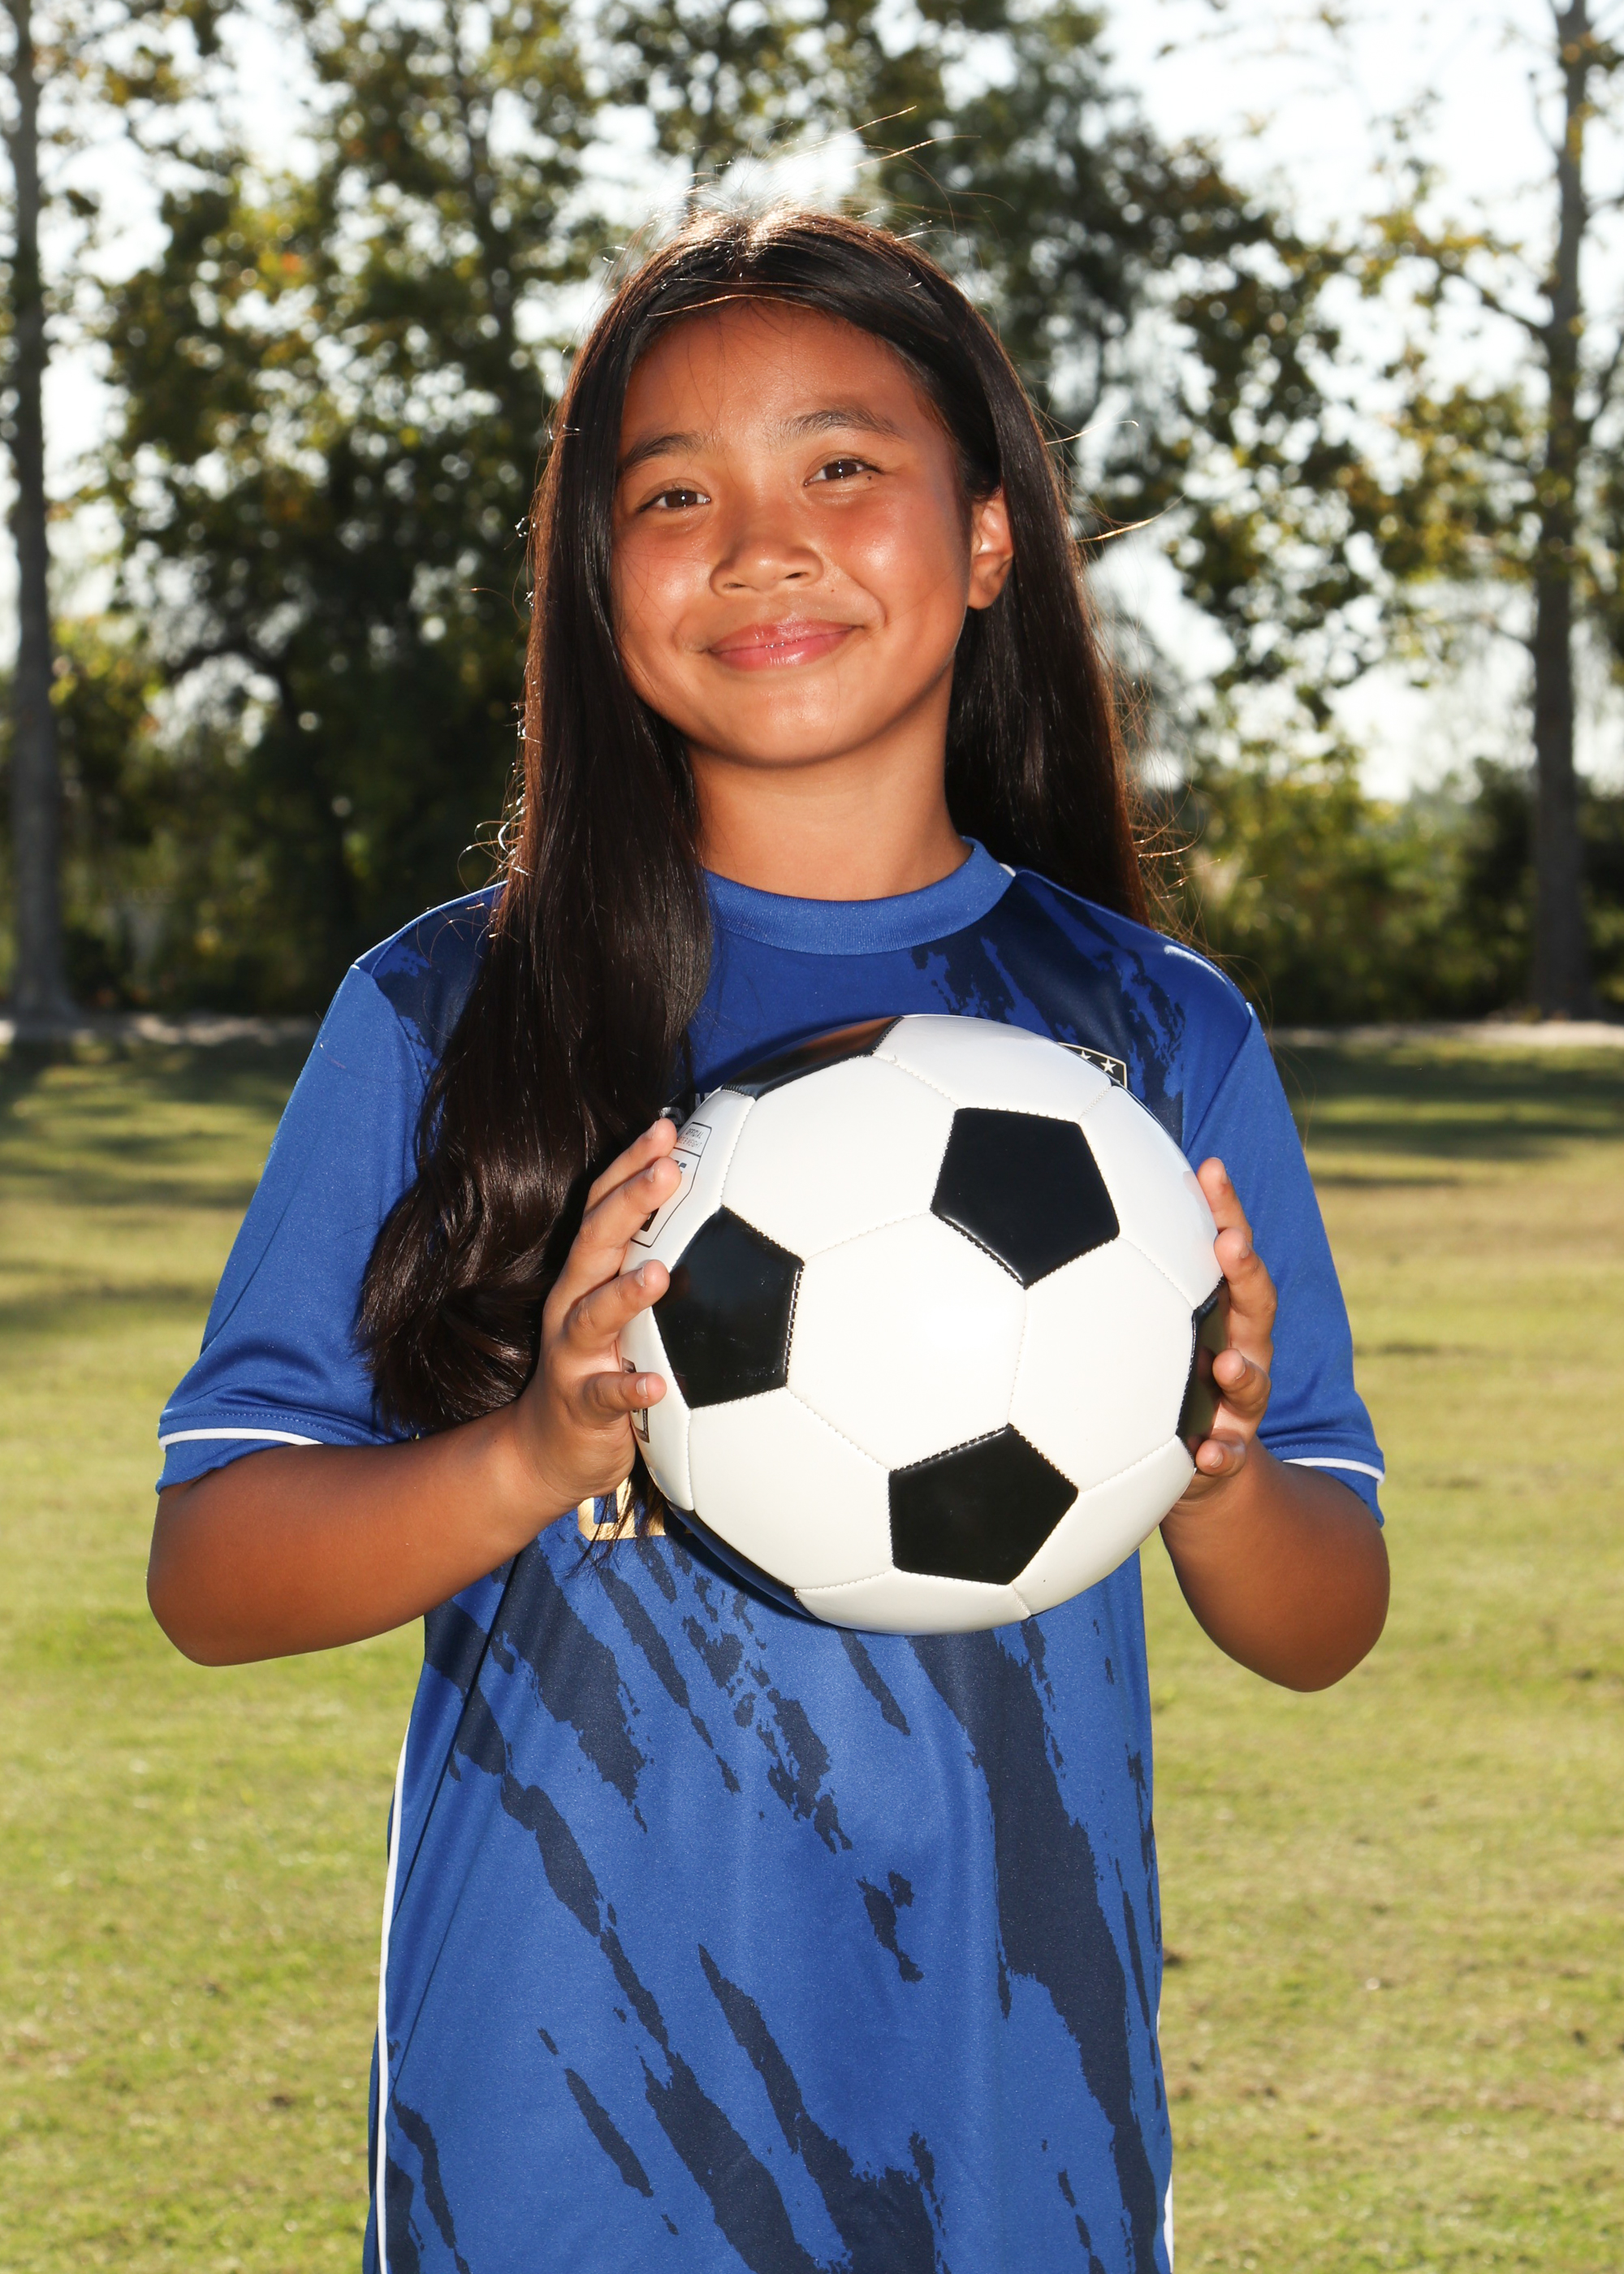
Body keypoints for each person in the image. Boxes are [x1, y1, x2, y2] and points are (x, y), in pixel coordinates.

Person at [147, 206, 1389, 2274]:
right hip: (554, 2130)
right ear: (592, 576)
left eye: (839, 465)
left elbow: (1323, 1614)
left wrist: (1223, 1470)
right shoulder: (453, 1013)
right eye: (673, 495)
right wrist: (525, 1454)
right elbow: (213, 1573)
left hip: (1006, 2123)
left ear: (985, 537)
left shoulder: (1151, 1036)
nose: (759, 545)